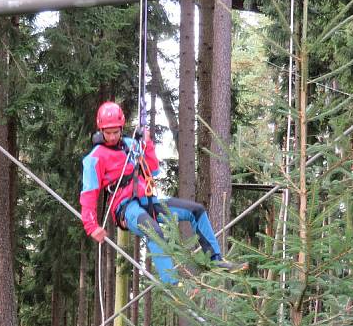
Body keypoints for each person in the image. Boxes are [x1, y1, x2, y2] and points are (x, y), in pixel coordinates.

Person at [80, 101, 244, 284]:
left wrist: (147, 143)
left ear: (121, 127)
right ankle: (171, 284)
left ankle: (215, 260)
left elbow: (153, 169)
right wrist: (91, 226)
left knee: (196, 211)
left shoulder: (131, 144)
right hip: (126, 209)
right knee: (154, 231)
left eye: (115, 132)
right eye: (107, 132)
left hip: (148, 200)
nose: (111, 137)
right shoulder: (94, 158)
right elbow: (88, 195)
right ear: (101, 130)